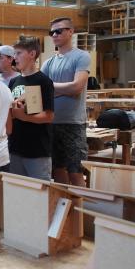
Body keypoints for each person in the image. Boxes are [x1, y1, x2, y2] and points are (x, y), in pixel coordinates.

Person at [41, 17, 90, 186]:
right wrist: (65, 90)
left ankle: (80, 211)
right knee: (57, 170)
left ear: (70, 32)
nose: (54, 34)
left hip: (73, 124)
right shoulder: (48, 63)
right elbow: (41, 91)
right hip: (51, 122)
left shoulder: (81, 56)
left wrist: (51, 89)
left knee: (76, 172)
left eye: (59, 30)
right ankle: (65, 209)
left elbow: (77, 87)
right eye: (52, 32)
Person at [8, 36, 55, 180]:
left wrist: (22, 116)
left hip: (37, 150)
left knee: (39, 195)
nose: (14, 58)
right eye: (14, 54)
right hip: (15, 148)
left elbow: (48, 116)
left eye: (18, 53)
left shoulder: (43, 81)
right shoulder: (13, 81)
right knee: (17, 193)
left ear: (32, 54)